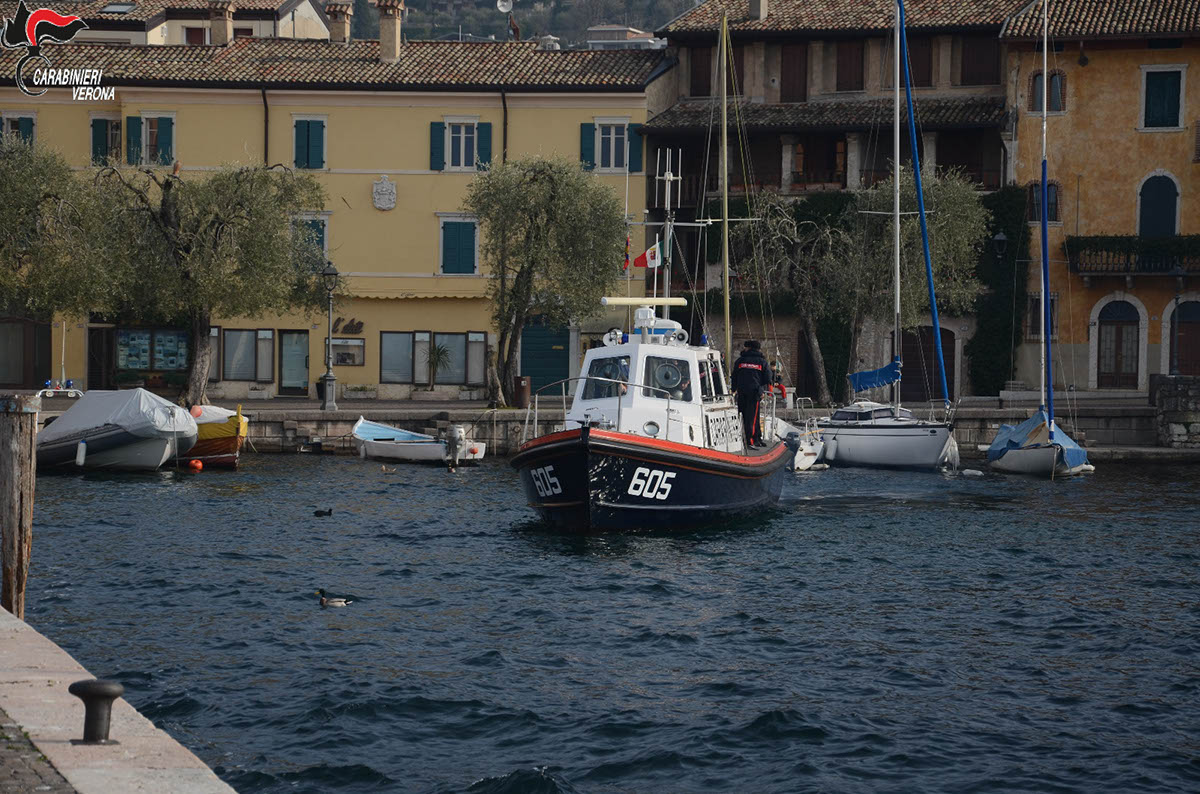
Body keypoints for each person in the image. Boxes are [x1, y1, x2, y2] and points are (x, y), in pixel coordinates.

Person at [732, 340, 771, 447]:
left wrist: (733, 389)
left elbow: (734, 376)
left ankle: (751, 438)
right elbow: (768, 378)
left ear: (748, 348)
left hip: (741, 391)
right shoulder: (762, 362)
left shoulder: (740, 361)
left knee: (743, 416)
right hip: (755, 392)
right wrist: (761, 390)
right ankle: (753, 439)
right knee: (753, 417)